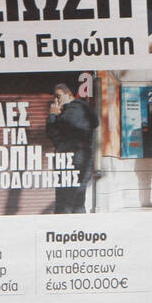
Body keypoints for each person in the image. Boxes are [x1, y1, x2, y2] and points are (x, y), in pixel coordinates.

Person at [46, 83, 97, 214]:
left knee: (64, 204)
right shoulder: (83, 110)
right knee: (77, 202)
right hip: (83, 160)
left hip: (71, 161)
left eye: (58, 96)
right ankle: (80, 231)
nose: (56, 101)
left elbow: (52, 134)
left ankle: (63, 232)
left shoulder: (71, 112)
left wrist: (52, 115)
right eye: (55, 98)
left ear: (68, 94)